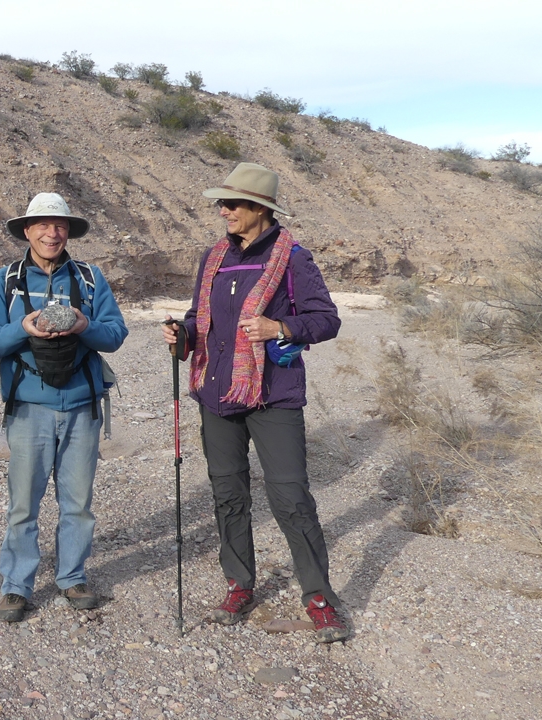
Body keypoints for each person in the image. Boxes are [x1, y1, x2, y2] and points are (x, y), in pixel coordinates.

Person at [162, 162, 348, 642]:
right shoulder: (214, 258)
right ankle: (239, 584)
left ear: (260, 209)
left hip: (274, 397)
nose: (223, 210)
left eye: (232, 203)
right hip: (216, 393)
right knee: (228, 493)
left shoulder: (293, 258)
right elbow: (199, 317)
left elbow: (325, 319)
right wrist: (182, 332)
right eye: (221, 203)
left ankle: (319, 598)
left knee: (290, 498)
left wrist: (280, 328)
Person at [0, 193, 128, 623]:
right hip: (28, 408)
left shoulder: (91, 278)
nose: (51, 232)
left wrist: (84, 325)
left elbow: (115, 334)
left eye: (59, 225)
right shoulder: (5, 280)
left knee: (77, 502)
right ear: (27, 230)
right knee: (23, 503)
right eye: (41, 224)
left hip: (82, 406)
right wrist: (21, 329)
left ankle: (71, 577)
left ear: (68, 232)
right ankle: (16, 585)